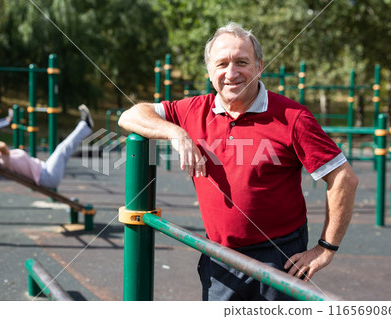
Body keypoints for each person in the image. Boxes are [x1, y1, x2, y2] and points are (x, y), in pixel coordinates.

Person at [118, 22, 358, 301]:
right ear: (210, 73)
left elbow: (343, 178)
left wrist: (326, 248)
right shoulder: (193, 111)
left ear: (259, 66)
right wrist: (175, 132)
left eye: (241, 62)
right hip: (220, 259)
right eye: (221, 64)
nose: (231, 73)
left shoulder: (292, 117)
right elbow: (131, 115)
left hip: (279, 257)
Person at [0, 104, 94, 189]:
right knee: (62, 148)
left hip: (46, 170)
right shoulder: (3, 160)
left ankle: (84, 125)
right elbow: (1, 144)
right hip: (48, 176)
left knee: (63, 150)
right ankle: (85, 125)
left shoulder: (1, 158)